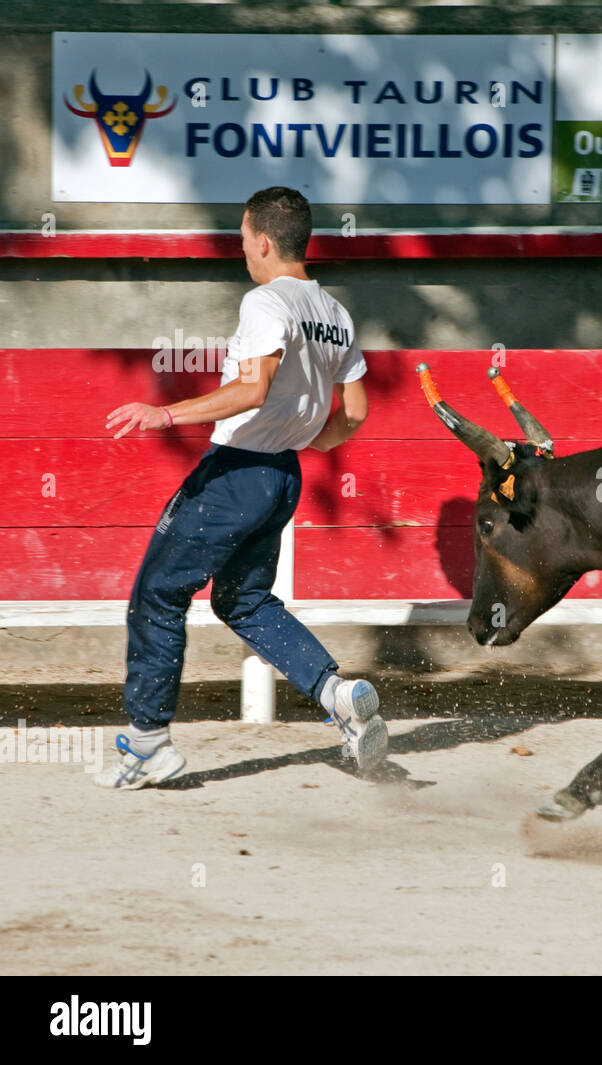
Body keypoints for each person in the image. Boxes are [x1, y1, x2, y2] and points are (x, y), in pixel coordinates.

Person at [96, 186, 387, 788]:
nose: (242, 252)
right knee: (244, 600)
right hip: (283, 475)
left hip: (236, 472)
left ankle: (149, 742)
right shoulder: (336, 313)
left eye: (242, 239)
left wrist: (166, 415)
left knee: (157, 592)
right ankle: (337, 695)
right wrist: (305, 438)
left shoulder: (265, 301)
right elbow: (354, 413)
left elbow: (253, 390)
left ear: (261, 240)